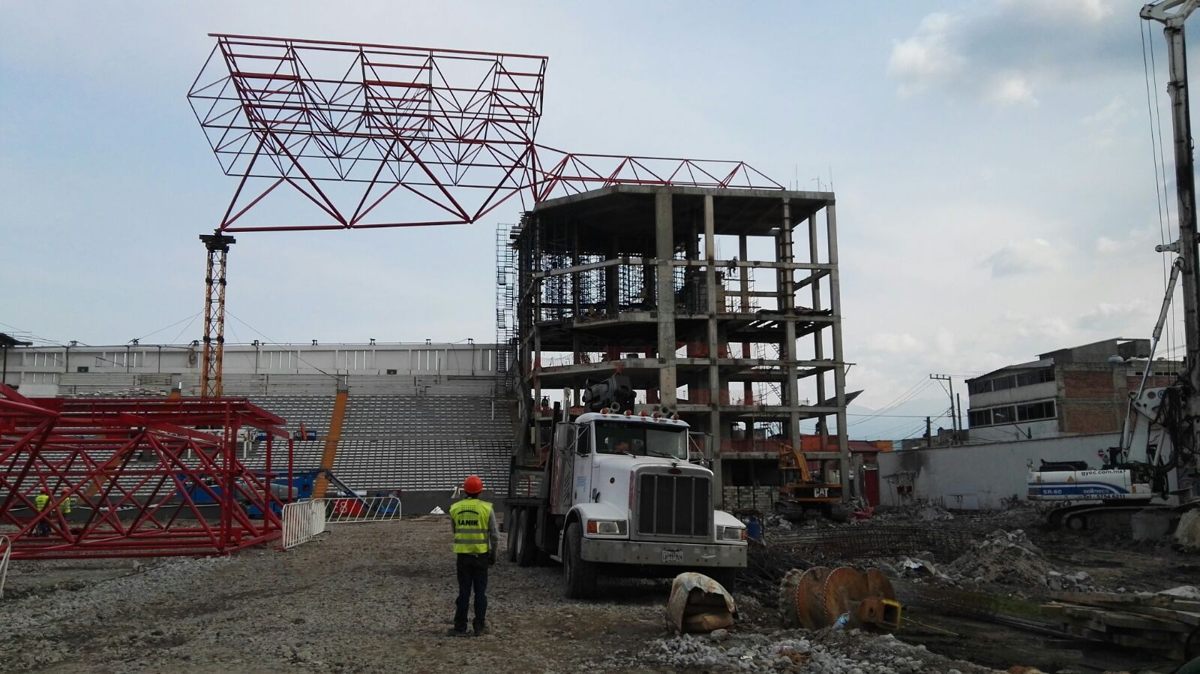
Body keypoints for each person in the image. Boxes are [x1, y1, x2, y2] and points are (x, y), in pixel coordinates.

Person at [448, 474, 498, 637]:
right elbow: (495, 535)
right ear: (480, 491)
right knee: (480, 593)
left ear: (465, 491)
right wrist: (493, 555)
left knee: (463, 592)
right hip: (481, 556)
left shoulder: (455, 508)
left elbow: (455, 530)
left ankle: (460, 626)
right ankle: (480, 626)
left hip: (463, 557)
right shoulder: (487, 508)